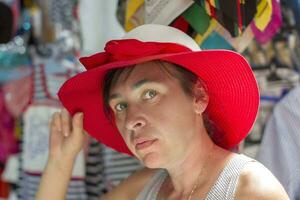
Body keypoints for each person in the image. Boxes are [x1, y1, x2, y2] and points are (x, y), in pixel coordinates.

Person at [36, 24, 289, 200]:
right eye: (120, 106)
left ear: (199, 96)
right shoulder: (142, 188)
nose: (131, 121)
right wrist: (60, 161)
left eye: (150, 94)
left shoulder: (250, 191)